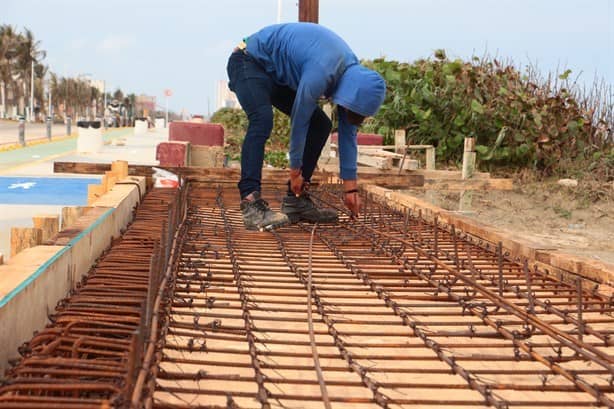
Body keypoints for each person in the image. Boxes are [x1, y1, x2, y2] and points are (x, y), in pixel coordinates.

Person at [226, 22, 386, 231]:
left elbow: (348, 136)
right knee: (262, 119)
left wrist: (351, 190)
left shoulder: (355, 81)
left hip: (275, 74)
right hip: (248, 61)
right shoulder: (322, 71)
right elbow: (300, 120)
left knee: (321, 125)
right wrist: (295, 172)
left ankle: (296, 202)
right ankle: (251, 204)